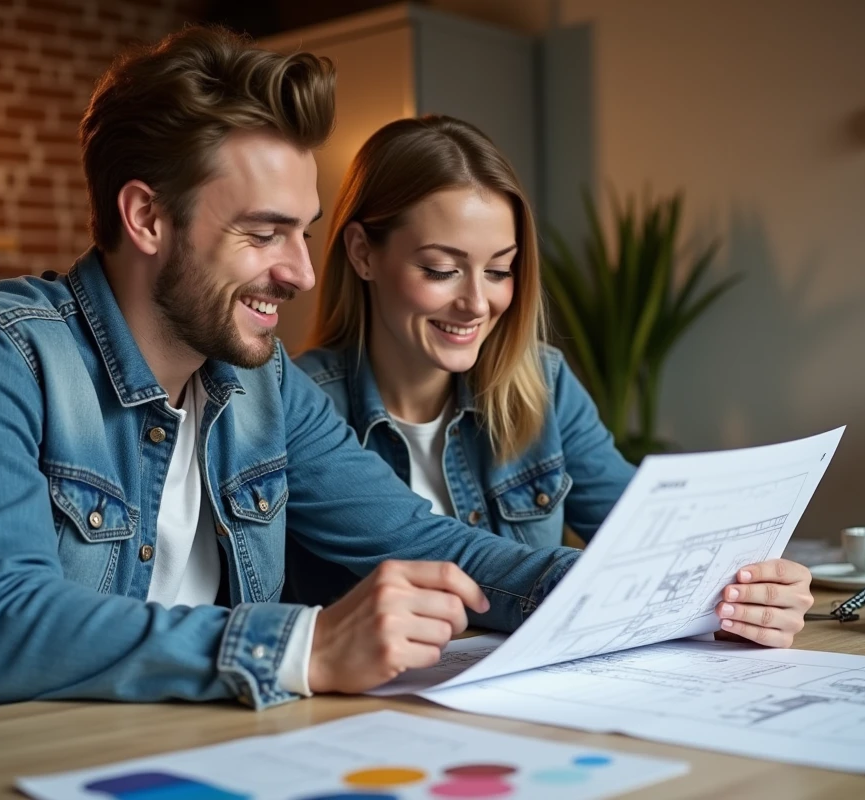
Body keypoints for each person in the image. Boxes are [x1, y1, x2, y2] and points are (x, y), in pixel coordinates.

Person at [0, 27, 587, 723]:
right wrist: (304, 645)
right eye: (264, 233)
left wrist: (615, 590)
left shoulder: (263, 382)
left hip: (198, 758)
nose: (302, 273)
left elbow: (425, 542)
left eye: (302, 233)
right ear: (147, 217)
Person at [287, 115, 814, 647]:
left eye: (499, 270)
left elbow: (650, 538)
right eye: (442, 269)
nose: (476, 303)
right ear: (362, 253)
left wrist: (749, 591)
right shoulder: (299, 406)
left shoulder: (542, 383)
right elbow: (421, 552)